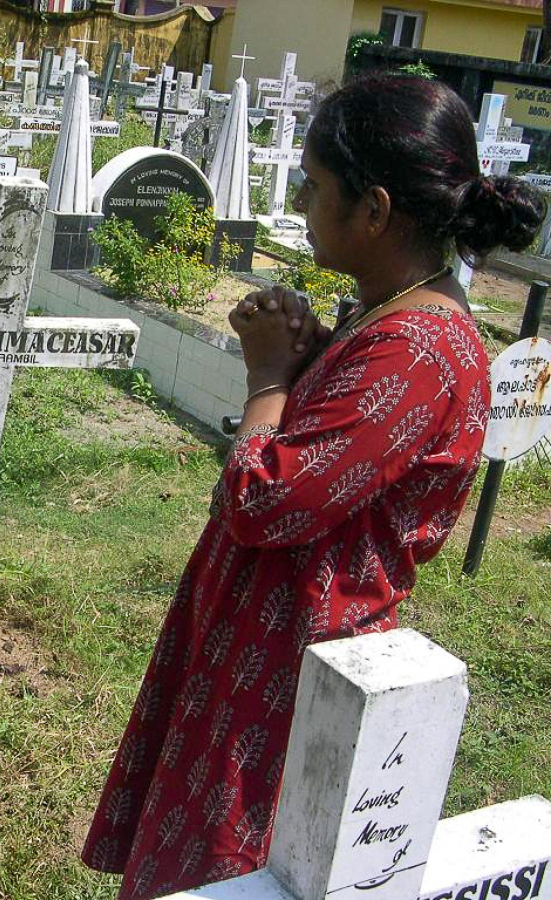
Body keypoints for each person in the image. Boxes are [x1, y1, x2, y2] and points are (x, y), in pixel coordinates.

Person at [82, 73, 546, 899]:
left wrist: (268, 377)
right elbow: (340, 449)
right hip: (260, 639)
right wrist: (307, 356)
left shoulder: (417, 350)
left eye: (314, 185)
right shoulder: (389, 317)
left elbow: (262, 501)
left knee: (235, 869)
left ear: (373, 209)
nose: (299, 200)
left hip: (292, 666)